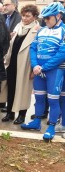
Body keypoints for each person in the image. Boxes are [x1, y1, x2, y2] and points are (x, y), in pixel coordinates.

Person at [21, 2, 65, 141]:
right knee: (39, 98)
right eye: (44, 18)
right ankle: (36, 122)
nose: (45, 20)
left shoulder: (63, 30)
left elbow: (62, 53)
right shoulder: (42, 30)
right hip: (39, 70)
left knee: (53, 100)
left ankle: (51, 126)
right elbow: (33, 48)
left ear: (58, 16)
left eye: (48, 18)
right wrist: (35, 65)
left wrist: (43, 67)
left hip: (55, 71)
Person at [2, 4, 40, 124]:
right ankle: (10, 112)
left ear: (34, 17)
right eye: (23, 16)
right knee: (11, 87)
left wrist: (34, 68)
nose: (24, 18)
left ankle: (22, 115)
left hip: (26, 65)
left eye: (28, 16)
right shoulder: (18, 26)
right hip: (12, 62)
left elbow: (38, 51)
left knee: (23, 90)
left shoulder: (37, 30)